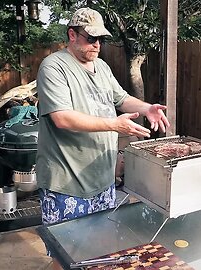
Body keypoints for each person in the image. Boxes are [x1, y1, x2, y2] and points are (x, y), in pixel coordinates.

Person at [36, 7, 170, 227]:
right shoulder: (54, 67)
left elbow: (122, 98)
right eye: (91, 38)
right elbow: (62, 118)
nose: (97, 44)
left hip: (103, 180)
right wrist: (114, 125)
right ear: (72, 35)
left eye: (100, 39)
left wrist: (147, 108)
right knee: (66, 253)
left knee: (100, 247)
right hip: (67, 183)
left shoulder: (102, 67)